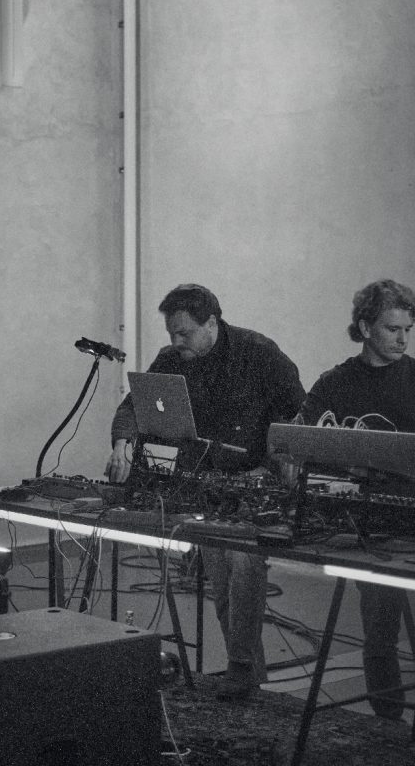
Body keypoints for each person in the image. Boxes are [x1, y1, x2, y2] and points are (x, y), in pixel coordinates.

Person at [296, 279, 415, 743]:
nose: (403, 339)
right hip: (375, 523)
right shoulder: (336, 383)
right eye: (392, 329)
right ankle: (388, 726)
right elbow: (306, 438)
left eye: (408, 330)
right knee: (380, 632)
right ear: (365, 327)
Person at [106, 283, 305, 698]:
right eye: (171, 333)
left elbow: (297, 413)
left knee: (243, 565)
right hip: (207, 484)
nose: (176, 342)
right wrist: (123, 443)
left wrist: (276, 464)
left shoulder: (259, 353)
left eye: (184, 333)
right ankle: (246, 673)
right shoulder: (171, 359)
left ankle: (242, 668)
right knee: (222, 578)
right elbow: (134, 406)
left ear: (211, 323)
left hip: (256, 483)